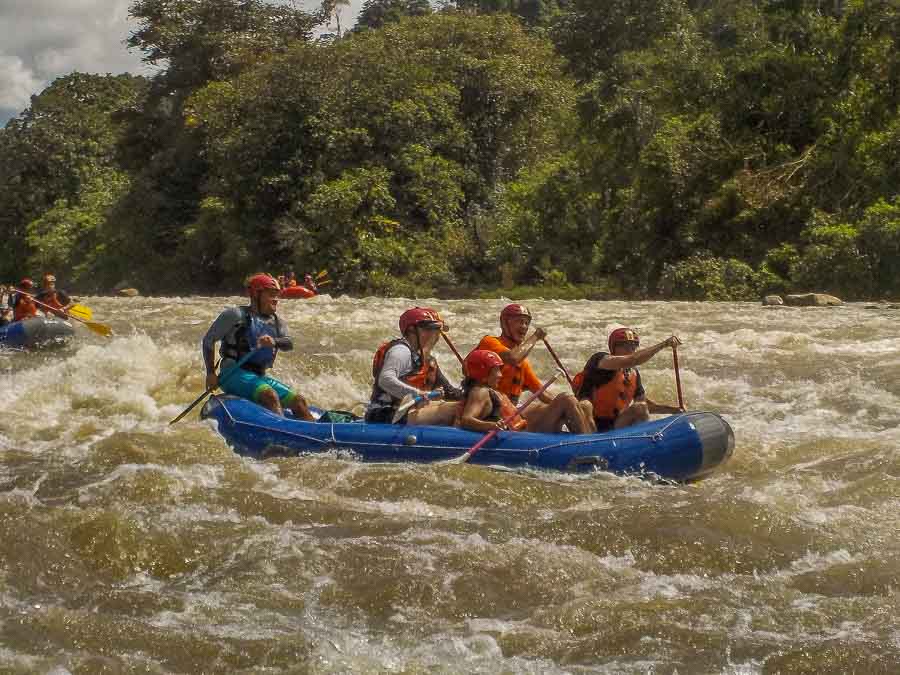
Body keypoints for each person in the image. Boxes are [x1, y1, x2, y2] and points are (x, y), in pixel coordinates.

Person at [201, 273, 314, 419]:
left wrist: (274, 341)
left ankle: (319, 438)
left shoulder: (277, 322)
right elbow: (208, 340)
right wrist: (211, 373)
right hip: (233, 373)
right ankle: (279, 432)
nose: (276, 299)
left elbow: (289, 343)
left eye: (277, 295)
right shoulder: (235, 315)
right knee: (270, 395)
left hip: (258, 376)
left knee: (299, 401)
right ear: (255, 295)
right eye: (271, 294)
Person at [476, 304, 594, 434]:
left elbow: (543, 394)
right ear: (505, 323)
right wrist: (535, 337)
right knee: (566, 399)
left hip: (511, 411)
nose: (524, 327)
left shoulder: (523, 365)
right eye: (519, 322)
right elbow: (513, 357)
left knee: (574, 402)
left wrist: (576, 404)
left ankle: (589, 439)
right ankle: (584, 443)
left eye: (527, 323)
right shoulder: (489, 342)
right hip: (491, 412)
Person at [574, 327, 684, 432]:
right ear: (614, 348)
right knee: (585, 406)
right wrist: (664, 344)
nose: (630, 349)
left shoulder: (633, 373)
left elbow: (645, 405)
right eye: (625, 345)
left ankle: (643, 441)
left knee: (640, 407)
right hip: (591, 424)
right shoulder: (601, 360)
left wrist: (673, 410)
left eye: (633, 345)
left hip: (616, 425)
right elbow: (632, 359)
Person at [366, 307, 463, 425]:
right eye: (429, 329)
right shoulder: (401, 351)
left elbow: (450, 392)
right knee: (454, 410)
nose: (435, 335)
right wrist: (416, 393)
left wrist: (472, 395)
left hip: (405, 410)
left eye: (437, 330)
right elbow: (385, 380)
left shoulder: (426, 360)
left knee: (461, 406)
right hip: (384, 414)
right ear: (412, 330)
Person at [456, 350, 528, 433]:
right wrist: (491, 426)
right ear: (483, 373)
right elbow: (466, 420)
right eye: (496, 370)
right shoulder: (480, 392)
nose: (500, 375)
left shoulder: (487, 390)